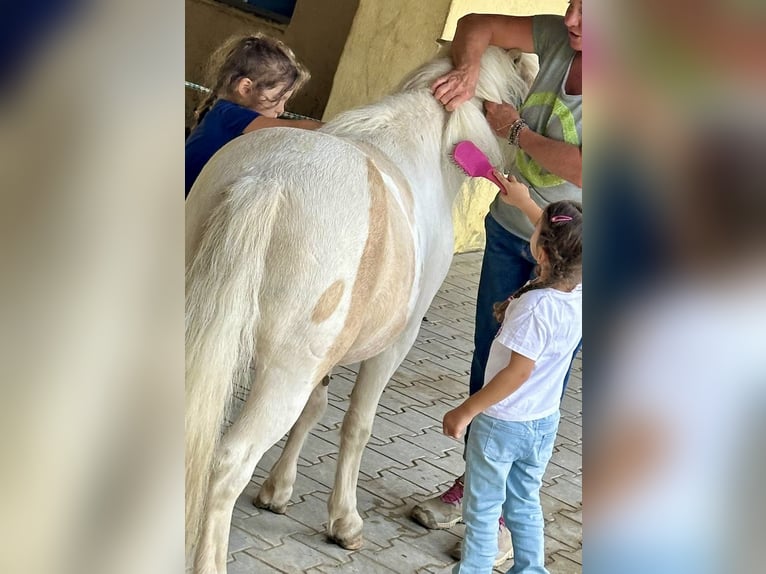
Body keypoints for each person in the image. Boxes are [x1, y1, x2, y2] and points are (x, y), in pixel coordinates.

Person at [411, 1, 582, 563]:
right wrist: (465, 69)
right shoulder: (561, 37)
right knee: (493, 358)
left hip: (572, 254)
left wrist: (518, 132)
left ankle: (503, 512)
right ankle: (478, 482)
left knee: (532, 377)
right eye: (572, 3)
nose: (574, 19)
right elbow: (474, 24)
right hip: (515, 230)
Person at [443, 173, 582, 573]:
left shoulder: (534, 308)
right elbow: (565, 240)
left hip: (502, 424)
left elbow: (516, 374)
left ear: (539, 253)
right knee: (523, 502)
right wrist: (525, 202)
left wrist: (467, 411)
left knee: (483, 507)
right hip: (543, 423)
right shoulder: (581, 292)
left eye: (536, 231)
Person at [185, 33, 322, 196]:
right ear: (246, 88)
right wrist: (342, 128)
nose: (281, 110)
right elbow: (292, 128)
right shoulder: (229, 115)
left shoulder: (224, 113)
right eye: (279, 98)